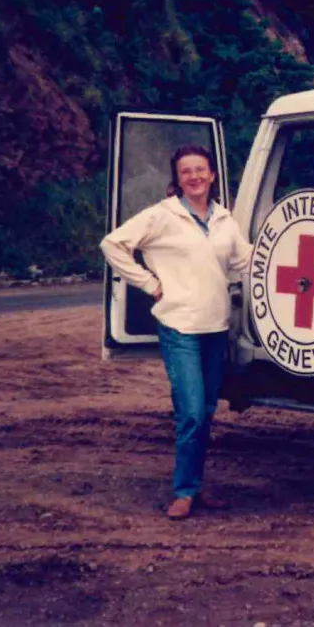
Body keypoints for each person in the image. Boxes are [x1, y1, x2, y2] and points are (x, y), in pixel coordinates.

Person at [101, 144, 251, 519]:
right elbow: (112, 244)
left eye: (201, 170)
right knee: (191, 413)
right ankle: (184, 492)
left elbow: (246, 261)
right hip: (179, 325)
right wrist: (149, 283)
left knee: (207, 411)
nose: (195, 177)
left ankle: (196, 487)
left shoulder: (224, 220)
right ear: (178, 178)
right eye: (186, 171)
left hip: (216, 327)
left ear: (212, 175)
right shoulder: (162, 217)